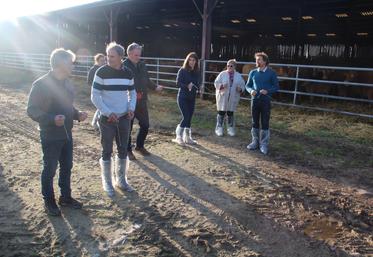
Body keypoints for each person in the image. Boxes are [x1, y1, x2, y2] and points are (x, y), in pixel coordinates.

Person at [27, 48, 88, 216]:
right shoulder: (41, 84)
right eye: (70, 62)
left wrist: (77, 114)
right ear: (61, 64)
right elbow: (31, 110)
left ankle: (65, 197)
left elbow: (68, 106)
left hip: (67, 133)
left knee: (67, 166)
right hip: (50, 135)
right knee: (50, 168)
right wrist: (52, 119)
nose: (73, 66)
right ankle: (49, 201)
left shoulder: (67, 83)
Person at [91, 42, 136, 197]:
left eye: (112, 56)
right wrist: (108, 112)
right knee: (107, 150)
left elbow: (133, 93)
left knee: (123, 148)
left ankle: (121, 180)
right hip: (107, 119)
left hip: (124, 117)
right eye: (107, 55)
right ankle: (108, 182)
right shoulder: (101, 72)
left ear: (120, 57)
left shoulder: (128, 73)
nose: (108, 59)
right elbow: (94, 96)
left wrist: (131, 108)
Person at [123, 43, 163, 160]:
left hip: (142, 101)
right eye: (136, 55)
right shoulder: (124, 66)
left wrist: (155, 87)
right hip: (129, 101)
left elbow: (146, 80)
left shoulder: (142, 65)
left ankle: (139, 146)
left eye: (139, 55)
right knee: (128, 128)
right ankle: (127, 150)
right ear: (129, 54)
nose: (138, 57)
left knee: (145, 125)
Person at [245, 52, 279, 155]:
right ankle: (255, 141)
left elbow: (276, 87)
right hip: (255, 100)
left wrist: (267, 91)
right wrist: (251, 91)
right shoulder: (253, 72)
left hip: (265, 101)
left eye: (259, 59)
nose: (257, 61)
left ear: (264, 61)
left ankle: (263, 143)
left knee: (265, 122)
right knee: (254, 121)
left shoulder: (271, 73)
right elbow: (248, 85)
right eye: (256, 59)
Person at [173, 52, 201, 145]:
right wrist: (186, 86)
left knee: (190, 117)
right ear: (187, 60)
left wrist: (198, 87)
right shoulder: (182, 70)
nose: (192, 62)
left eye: (194, 60)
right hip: (182, 97)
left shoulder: (197, 72)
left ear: (196, 62)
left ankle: (187, 137)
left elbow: (197, 83)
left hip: (192, 98)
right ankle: (178, 136)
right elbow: (177, 83)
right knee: (186, 116)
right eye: (190, 60)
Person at [214, 59, 245, 137]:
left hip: (233, 96)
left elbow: (242, 85)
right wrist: (221, 86)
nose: (229, 67)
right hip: (223, 96)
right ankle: (219, 128)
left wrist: (240, 89)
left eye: (231, 66)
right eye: (228, 65)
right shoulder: (222, 74)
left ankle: (230, 128)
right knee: (221, 112)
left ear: (234, 67)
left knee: (230, 113)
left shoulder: (238, 75)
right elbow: (216, 83)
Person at [87, 53, 106, 130]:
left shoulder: (104, 69)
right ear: (97, 61)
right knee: (100, 107)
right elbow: (89, 81)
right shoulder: (93, 70)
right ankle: (96, 123)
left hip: (103, 91)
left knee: (100, 107)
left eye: (104, 60)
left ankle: (95, 122)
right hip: (97, 91)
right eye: (102, 60)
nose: (104, 62)